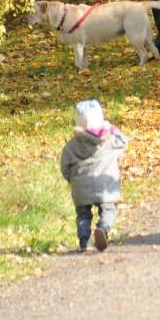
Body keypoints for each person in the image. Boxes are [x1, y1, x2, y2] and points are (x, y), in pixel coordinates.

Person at [61, 100, 128, 252]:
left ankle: (84, 241)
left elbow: (65, 166)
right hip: (105, 186)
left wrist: (71, 179)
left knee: (83, 215)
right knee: (108, 210)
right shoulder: (109, 140)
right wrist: (111, 128)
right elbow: (124, 141)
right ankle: (103, 228)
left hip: (80, 188)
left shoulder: (72, 145)